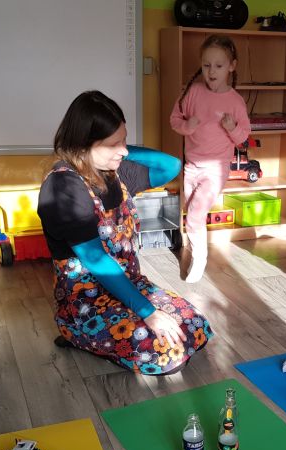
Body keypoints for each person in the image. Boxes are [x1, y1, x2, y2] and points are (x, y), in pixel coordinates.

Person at [37, 90, 212, 375]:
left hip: (130, 286)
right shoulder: (63, 188)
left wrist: (118, 146)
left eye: (124, 140)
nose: (125, 151)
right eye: (113, 144)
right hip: (86, 304)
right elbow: (96, 261)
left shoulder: (115, 171)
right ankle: (74, 333)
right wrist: (149, 313)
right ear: (83, 144)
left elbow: (171, 165)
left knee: (196, 325)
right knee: (164, 352)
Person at [170, 34, 251, 283]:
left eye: (218, 65)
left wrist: (231, 127)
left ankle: (200, 259)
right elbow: (175, 120)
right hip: (192, 166)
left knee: (196, 215)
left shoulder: (235, 102)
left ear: (231, 66)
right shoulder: (193, 92)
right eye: (206, 65)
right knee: (190, 213)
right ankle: (196, 249)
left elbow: (243, 137)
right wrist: (187, 126)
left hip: (216, 169)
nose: (211, 71)